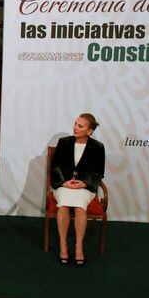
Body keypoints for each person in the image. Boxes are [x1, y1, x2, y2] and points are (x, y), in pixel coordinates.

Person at [50, 113, 105, 266]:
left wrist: (85, 183)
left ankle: (78, 247)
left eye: (80, 126)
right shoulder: (63, 142)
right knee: (63, 207)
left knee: (80, 208)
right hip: (63, 185)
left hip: (85, 188)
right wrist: (63, 182)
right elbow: (55, 167)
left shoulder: (98, 147)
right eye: (75, 123)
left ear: (90, 131)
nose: (75, 127)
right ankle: (63, 246)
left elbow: (98, 172)